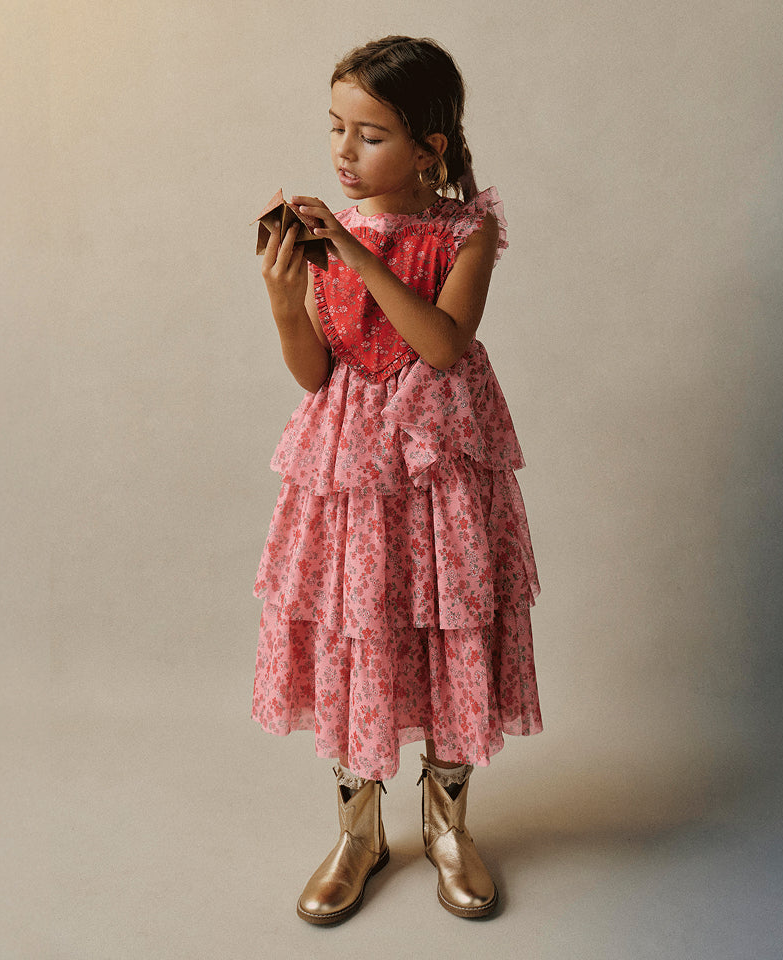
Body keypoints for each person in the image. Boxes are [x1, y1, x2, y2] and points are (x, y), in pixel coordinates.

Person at [253, 35, 542, 924]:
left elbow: (441, 345)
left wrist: (356, 249)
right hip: (353, 467)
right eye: (336, 128)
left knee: (448, 624)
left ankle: (448, 826)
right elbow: (315, 372)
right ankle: (359, 833)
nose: (343, 152)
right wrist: (282, 291)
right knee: (361, 631)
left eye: (370, 135)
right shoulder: (323, 238)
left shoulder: (469, 232)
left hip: (441, 464)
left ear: (431, 147)